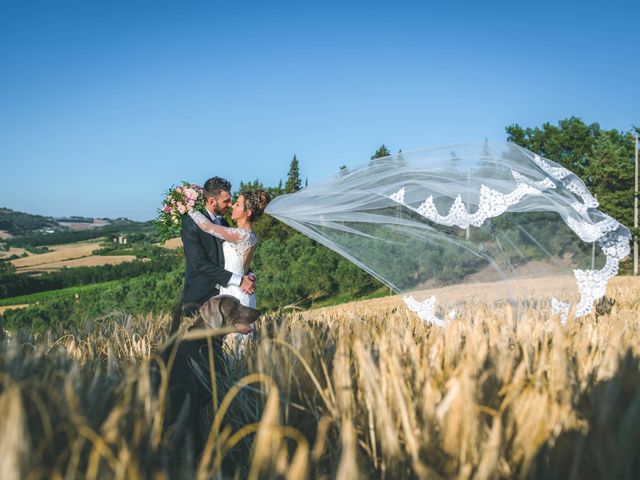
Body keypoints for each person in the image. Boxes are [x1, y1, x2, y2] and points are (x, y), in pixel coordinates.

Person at [173, 177, 256, 334]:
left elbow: (236, 257)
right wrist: (239, 281)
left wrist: (249, 275)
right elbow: (199, 263)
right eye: (226, 201)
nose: (230, 205)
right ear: (212, 201)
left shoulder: (223, 224)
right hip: (201, 297)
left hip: (227, 299)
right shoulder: (192, 223)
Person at [188, 189, 270, 308]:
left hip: (236, 294)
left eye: (237, 204)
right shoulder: (248, 234)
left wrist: (189, 208)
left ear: (247, 213)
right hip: (233, 289)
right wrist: (251, 276)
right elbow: (242, 262)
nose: (232, 206)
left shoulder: (242, 235)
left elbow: (207, 227)